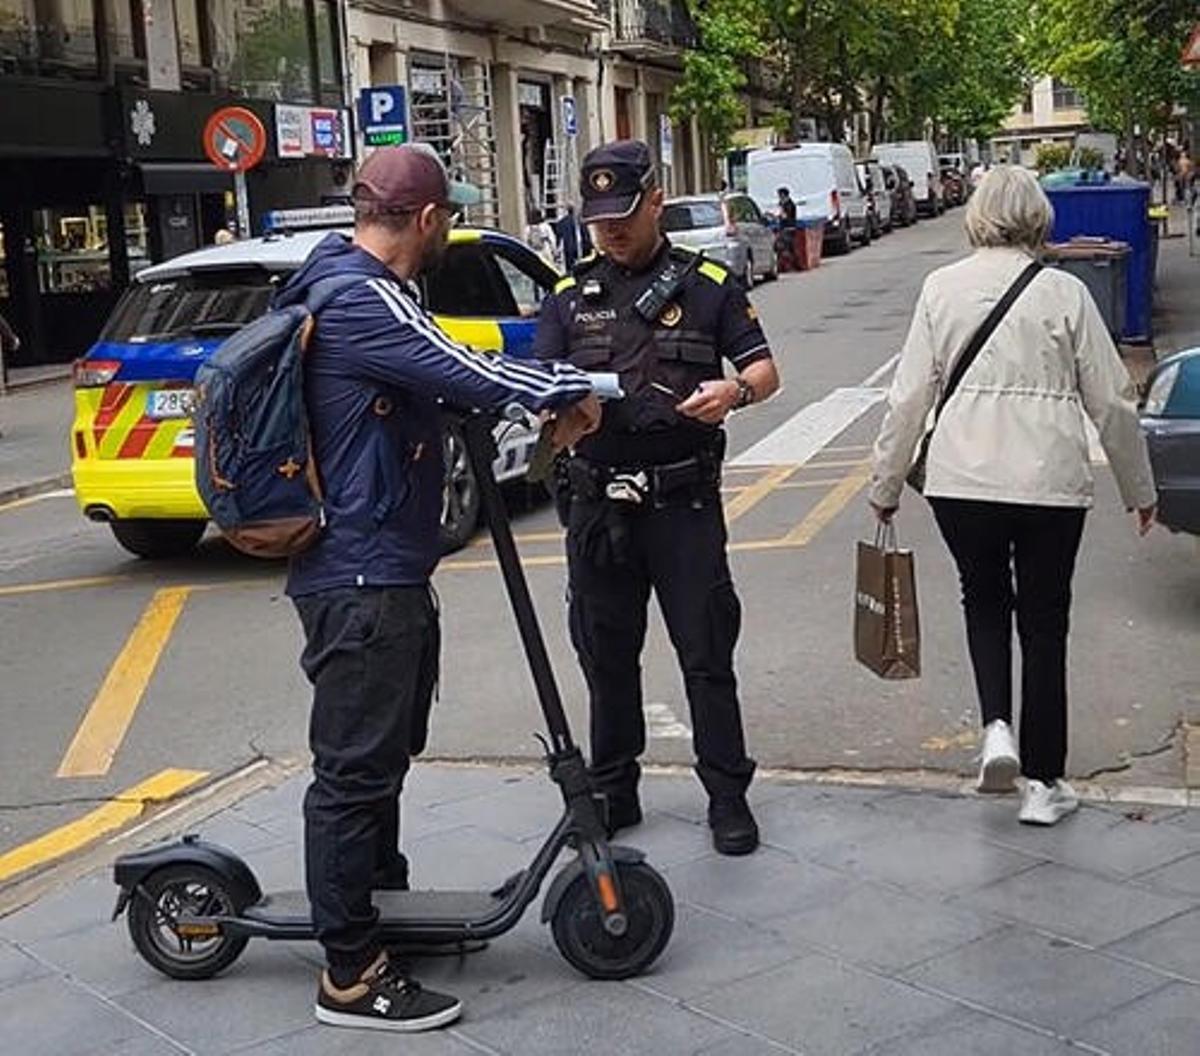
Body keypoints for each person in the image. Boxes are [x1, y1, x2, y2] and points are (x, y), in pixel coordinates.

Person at [273, 143, 599, 1033]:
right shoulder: (360, 299)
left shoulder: (360, 291)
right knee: (353, 770)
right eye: (447, 216)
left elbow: (439, 376)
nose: (449, 229)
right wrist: (566, 383)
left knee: (379, 759)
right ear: (425, 220)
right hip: (362, 577)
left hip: (380, 570)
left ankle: (376, 913)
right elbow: (469, 370)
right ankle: (350, 973)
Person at [869, 166, 1156, 827]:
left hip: (961, 482)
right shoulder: (1066, 293)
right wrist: (1139, 488)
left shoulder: (941, 289)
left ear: (975, 215)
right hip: (1049, 483)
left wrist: (885, 485)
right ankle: (1045, 783)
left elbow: (909, 396)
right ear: (1038, 217)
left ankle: (997, 727)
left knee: (984, 599)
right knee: (1045, 622)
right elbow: (1111, 400)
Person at [533, 140, 780, 855]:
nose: (610, 230)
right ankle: (615, 790)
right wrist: (559, 414)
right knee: (605, 657)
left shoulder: (706, 284)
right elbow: (539, 388)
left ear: (654, 200)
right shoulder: (567, 298)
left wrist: (732, 392)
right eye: (598, 217)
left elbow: (765, 371)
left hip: (682, 504)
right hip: (596, 506)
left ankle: (727, 795)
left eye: (623, 214)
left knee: (705, 649)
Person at [553, 202, 592, 272]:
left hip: (568, 249)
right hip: (581, 247)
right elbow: (586, 235)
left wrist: (557, 250)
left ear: (566, 210)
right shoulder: (580, 221)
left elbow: (559, 238)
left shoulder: (561, 223)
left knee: (570, 269)